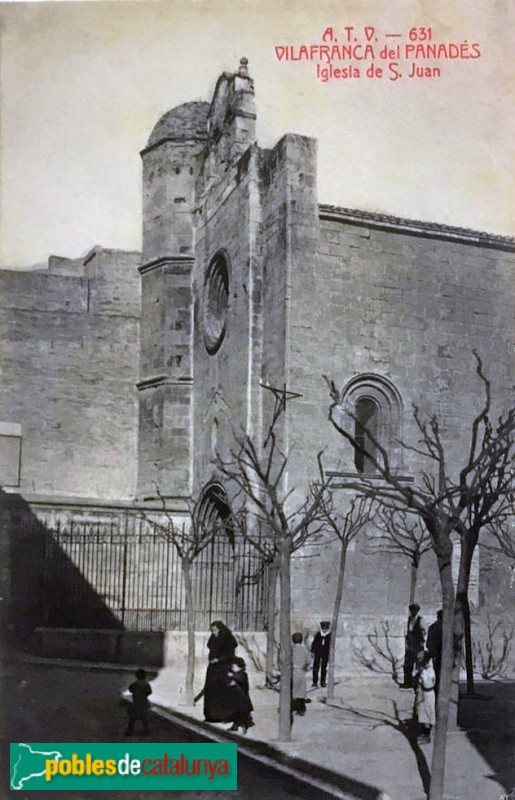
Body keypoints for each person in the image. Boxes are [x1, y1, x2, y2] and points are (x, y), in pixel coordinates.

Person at [203, 620, 238, 722]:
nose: (214, 633)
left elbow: (230, 654)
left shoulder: (228, 638)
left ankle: (223, 716)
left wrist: (219, 659)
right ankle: (211, 715)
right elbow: (210, 646)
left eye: (215, 630)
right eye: (212, 631)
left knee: (222, 692)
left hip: (223, 668)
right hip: (213, 669)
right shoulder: (213, 638)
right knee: (211, 691)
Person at [225, 657, 254, 733]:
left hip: (242, 697)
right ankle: (236, 725)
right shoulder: (237, 674)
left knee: (243, 713)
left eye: (234, 666)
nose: (232, 668)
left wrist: (232, 676)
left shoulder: (243, 674)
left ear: (239, 666)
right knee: (236, 712)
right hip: (237, 697)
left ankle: (245, 726)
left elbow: (240, 680)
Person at [414, 651, 436, 743]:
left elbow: (428, 685)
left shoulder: (429, 671)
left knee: (427, 714)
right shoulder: (422, 670)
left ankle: (427, 735)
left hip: (427, 695)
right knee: (422, 714)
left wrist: (422, 676)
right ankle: (423, 733)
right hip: (422, 694)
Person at [403, 603, 427, 688]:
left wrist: (422, 642)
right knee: (408, 665)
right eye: (412, 610)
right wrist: (406, 644)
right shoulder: (409, 620)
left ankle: (417, 684)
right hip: (410, 646)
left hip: (418, 645)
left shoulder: (421, 620)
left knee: (418, 665)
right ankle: (408, 683)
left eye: (415, 610)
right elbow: (407, 633)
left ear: (417, 611)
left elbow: (424, 632)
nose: (413, 612)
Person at [125, 668, 152, 735]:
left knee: (132, 719)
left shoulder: (134, 684)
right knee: (144, 718)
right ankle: (146, 730)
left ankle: (130, 730)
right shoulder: (146, 684)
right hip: (144, 703)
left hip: (135, 702)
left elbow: (130, 689)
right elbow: (149, 692)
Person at [291, 632, 311, 716]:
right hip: (301, 672)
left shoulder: (291, 650)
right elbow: (309, 661)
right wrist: (306, 667)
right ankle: (302, 708)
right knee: (301, 690)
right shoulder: (305, 650)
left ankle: (292, 706)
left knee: (293, 690)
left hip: (292, 672)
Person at [426, 609, 443, 698]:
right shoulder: (446, 628)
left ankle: (438, 690)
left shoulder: (433, 627)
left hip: (437, 654)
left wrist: (432, 652)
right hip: (441, 654)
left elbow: (428, 643)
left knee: (438, 673)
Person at [311, 620, 332, 688]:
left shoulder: (329, 635)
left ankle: (322, 682)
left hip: (325, 653)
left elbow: (330, 645)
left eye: (326, 628)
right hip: (318, 653)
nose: (324, 630)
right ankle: (315, 681)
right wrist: (313, 651)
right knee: (315, 667)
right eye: (323, 628)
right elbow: (314, 643)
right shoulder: (318, 634)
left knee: (324, 668)